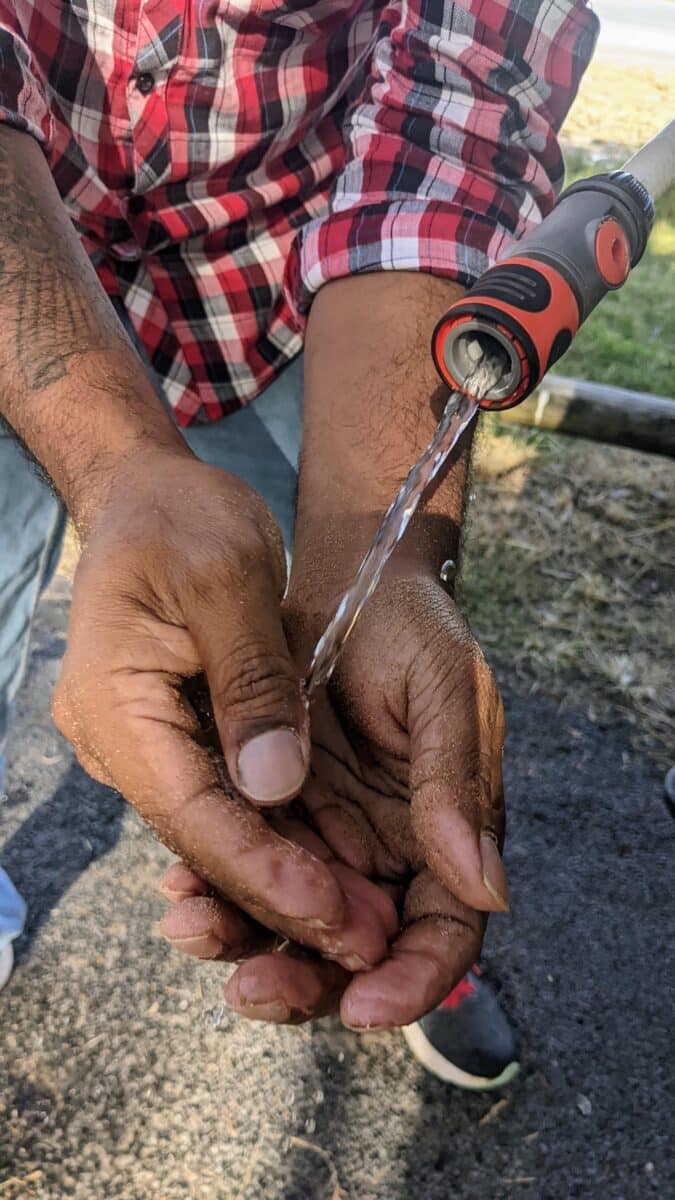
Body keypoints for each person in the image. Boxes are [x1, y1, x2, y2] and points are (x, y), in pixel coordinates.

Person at [0, 0, 598, 1088]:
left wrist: (391, 552)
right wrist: (111, 463)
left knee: (359, 670)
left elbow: (460, 99)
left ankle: (382, 871)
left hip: (304, 300)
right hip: (27, 282)